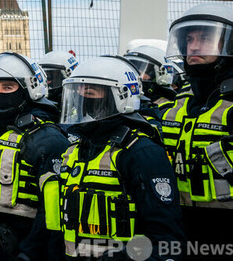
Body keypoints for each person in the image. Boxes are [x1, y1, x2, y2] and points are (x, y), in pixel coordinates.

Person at [44, 56, 185, 259]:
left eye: (90, 93)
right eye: (77, 93)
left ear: (120, 97)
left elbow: (165, 240)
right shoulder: (75, 150)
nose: (82, 100)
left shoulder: (141, 152)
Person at [0, 53, 69, 260]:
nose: (0, 93)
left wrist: (28, 253)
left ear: (29, 89)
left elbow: (51, 213)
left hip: (22, 247)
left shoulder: (48, 138)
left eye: (7, 87)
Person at [161, 4, 233, 248]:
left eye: (205, 38)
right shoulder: (180, 100)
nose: (193, 46)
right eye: (189, 39)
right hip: (178, 222)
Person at [124, 45, 175, 123]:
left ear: (162, 75)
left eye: (141, 71)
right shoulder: (127, 106)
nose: (135, 76)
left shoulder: (169, 110)